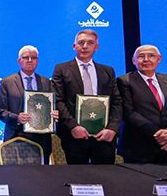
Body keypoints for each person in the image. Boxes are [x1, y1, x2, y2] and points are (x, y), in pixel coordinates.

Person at [52, 29, 122, 164]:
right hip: (74, 135)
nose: (85, 46)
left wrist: (112, 129)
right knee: (78, 178)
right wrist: (73, 127)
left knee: (107, 178)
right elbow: (58, 100)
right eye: (81, 42)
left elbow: (117, 102)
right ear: (74, 46)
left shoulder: (108, 71)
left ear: (96, 47)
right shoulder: (61, 69)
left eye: (90, 43)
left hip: (104, 135)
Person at [117, 45, 167, 165]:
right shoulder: (124, 81)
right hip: (139, 147)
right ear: (133, 60)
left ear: (159, 59)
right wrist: (160, 136)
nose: (146, 59)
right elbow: (129, 113)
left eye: (151, 56)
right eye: (141, 56)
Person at [0, 45, 59, 164]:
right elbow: (0, 111)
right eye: (26, 57)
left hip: (42, 139)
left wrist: (54, 114)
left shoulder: (47, 82)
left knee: (40, 178)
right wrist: (17, 118)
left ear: (38, 61)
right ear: (19, 61)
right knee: (17, 178)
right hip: (16, 137)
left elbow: (53, 107)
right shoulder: (7, 82)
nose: (30, 60)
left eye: (33, 57)